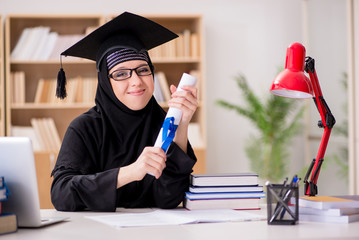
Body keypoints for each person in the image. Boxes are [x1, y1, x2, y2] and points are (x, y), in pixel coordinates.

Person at [50, 12, 198, 211]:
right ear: (105, 82)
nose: (136, 81)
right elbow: (61, 193)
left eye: (143, 70)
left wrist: (182, 122)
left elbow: (169, 199)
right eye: (121, 74)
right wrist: (129, 172)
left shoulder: (163, 123)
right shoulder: (85, 128)